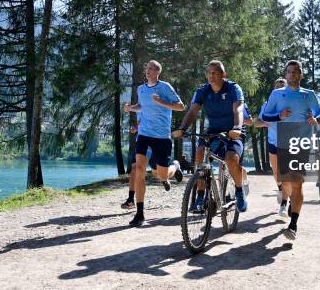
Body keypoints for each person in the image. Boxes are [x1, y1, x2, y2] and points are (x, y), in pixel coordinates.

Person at [173, 60, 248, 213]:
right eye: (209, 73)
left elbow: (238, 109)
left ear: (223, 74)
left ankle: (239, 191)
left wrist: (237, 128)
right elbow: (193, 111)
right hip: (213, 131)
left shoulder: (233, 88)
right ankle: (200, 197)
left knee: (231, 159)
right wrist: (182, 128)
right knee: (200, 153)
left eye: (215, 73)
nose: (211, 76)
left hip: (233, 130)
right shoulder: (202, 91)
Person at [261, 60, 320, 240]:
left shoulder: (309, 94)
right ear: (286, 74)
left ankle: (293, 224)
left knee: (297, 182)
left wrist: (316, 119)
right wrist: (279, 116)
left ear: (301, 75)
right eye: (289, 72)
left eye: (295, 72)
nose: (292, 75)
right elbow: (265, 115)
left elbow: (319, 112)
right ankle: (287, 199)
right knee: (285, 183)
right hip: (281, 142)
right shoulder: (276, 94)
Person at [123, 60, 185, 226]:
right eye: (147, 68)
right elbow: (141, 107)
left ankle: (176, 167)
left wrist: (161, 102)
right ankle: (140, 213)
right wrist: (131, 108)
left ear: (158, 71)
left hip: (161, 137)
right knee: (140, 169)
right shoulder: (141, 89)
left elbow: (181, 106)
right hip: (144, 135)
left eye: (151, 68)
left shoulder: (165, 87)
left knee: (161, 175)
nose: (147, 70)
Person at [120, 115, 182, 210]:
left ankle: (175, 166)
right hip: (142, 141)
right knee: (135, 168)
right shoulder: (141, 103)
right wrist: (136, 127)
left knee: (157, 174)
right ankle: (131, 199)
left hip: (157, 140)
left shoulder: (157, 102)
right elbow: (142, 120)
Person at [255, 77, 290, 217]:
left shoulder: (291, 104)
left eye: (282, 87)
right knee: (277, 173)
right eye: (277, 87)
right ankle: (281, 190)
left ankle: (284, 204)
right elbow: (257, 123)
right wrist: (265, 123)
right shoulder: (267, 105)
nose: (279, 89)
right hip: (273, 142)